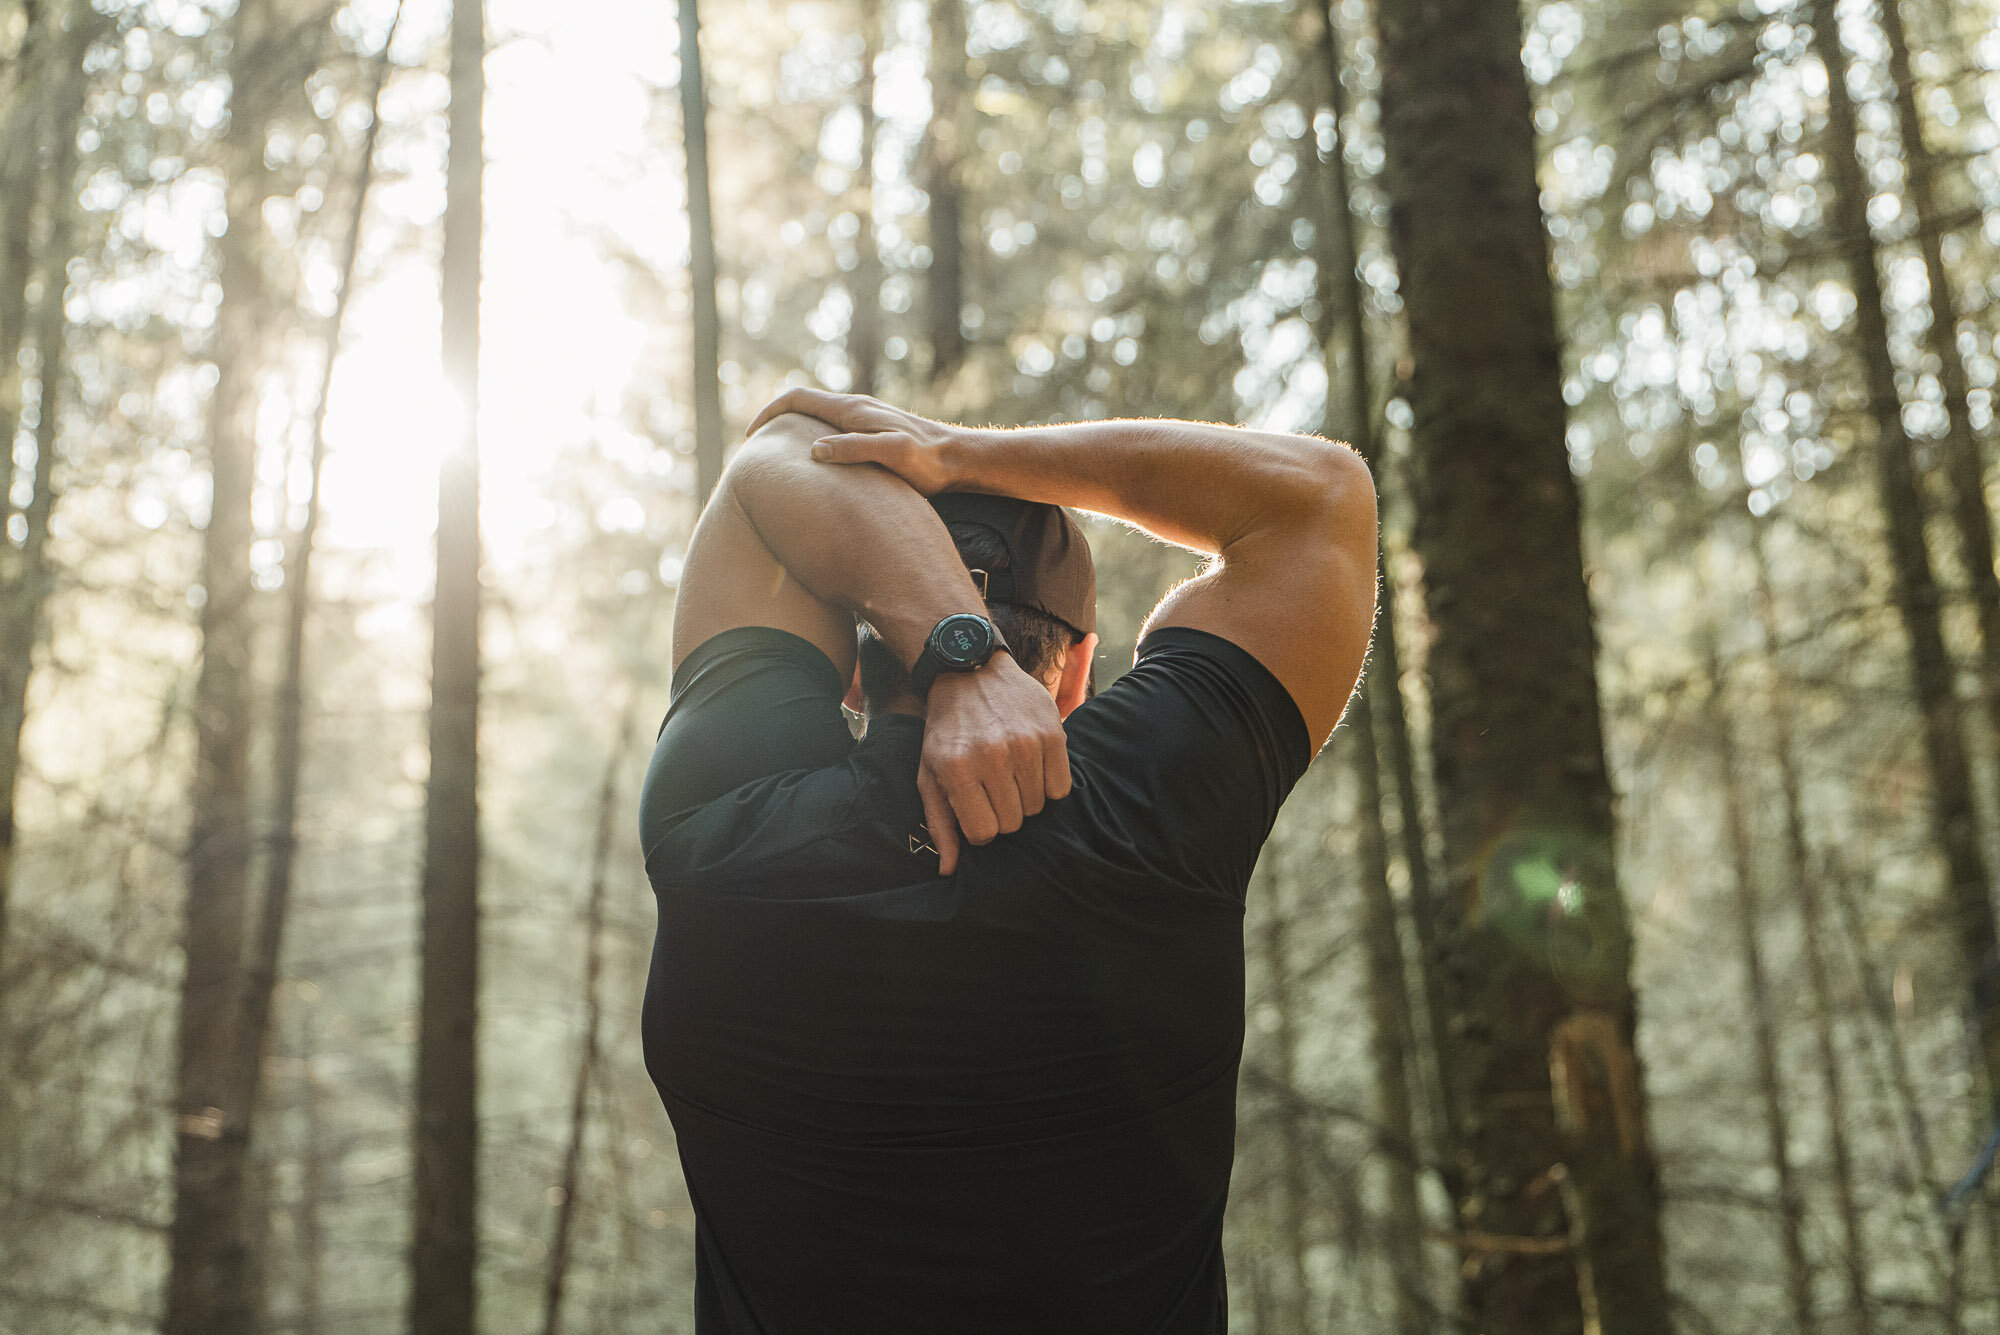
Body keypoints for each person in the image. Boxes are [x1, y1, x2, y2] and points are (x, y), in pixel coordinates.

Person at [639, 388, 1376, 1333]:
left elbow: (780, 449)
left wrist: (955, 649)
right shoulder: (1154, 819)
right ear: (1073, 672)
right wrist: (959, 456)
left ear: (855, 670)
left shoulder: (721, 832)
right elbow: (1321, 494)